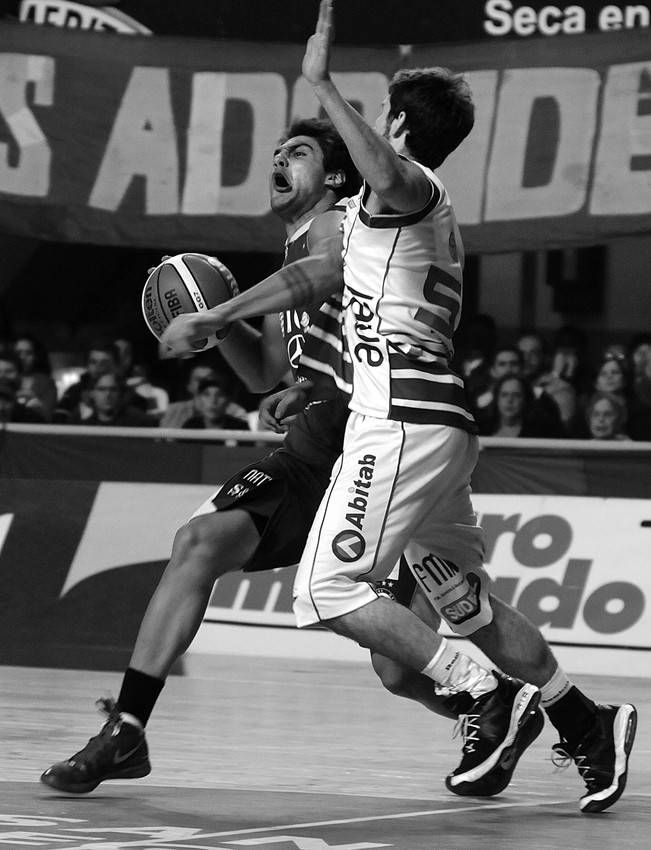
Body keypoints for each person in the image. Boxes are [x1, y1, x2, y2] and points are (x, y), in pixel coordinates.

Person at [156, 1, 636, 813]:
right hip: (433, 421)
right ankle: (588, 721)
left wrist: (321, 85)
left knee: (328, 585)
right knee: (464, 602)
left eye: (378, 117)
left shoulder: (410, 188)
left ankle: (487, 697)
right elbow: (319, 283)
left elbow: (380, 180)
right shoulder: (372, 218)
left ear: (397, 124)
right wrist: (248, 333)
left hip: (402, 421)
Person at [41, 114, 538, 802]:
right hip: (317, 453)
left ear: (333, 175)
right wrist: (216, 326)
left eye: (296, 152)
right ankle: (127, 728)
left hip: (377, 448)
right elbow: (266, 373)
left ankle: (508, 705)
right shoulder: (288, 258)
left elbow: (329, 272)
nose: (278, 160)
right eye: (274, 153)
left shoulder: (339, 223)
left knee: (397, 669)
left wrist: (215, 315)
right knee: (199, 543)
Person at [159, 359, 247, 429]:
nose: (204, 384)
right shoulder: (173, 411)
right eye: (199, 380)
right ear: (188, 385)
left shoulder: (236, 412)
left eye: (209, 380)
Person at [480, 374, 564, 438]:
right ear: (496, 399)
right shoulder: (481, 430)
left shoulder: (543, 431)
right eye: (504, 395)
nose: (510, 400)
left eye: (516, 395)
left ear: (526, 399)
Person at [80, 369, 157, 427]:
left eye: (113, 389)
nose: (108, 394)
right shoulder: (83, 424)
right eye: (102, 389)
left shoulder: (140, 421)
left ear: (120, 393)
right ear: (92, 393)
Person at [13, 333, 58, 421]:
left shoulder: (46, 383)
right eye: (18, 353)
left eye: (28, 353)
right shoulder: (5, 378)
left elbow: (49, 415)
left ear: (36, 356)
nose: (22, 357)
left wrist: (35, 400)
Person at [181, 376, 250, 431]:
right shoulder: (190, 427)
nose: (213, 401)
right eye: (206, 394)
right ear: (199, 399)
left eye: (220, 395)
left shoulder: (241, 428)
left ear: (228, 400)